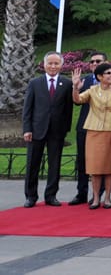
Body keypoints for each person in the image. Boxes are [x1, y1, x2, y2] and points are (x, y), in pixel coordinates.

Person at [70, 62, 111, 208]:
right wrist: (75, 87)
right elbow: (77, 100)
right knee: (94, 168)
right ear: (100, 76)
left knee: (109, 167)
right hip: (94, 132)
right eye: (108, 73)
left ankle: (107, 198)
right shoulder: (92, 90)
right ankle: (95, 199)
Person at [22, 51, 73, 208]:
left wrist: (65, 129)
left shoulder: (66, 83)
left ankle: (51, 196)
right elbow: (27, 109)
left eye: (56, 63)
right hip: (36, 130)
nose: (52, 66)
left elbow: (68, 110)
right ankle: (31, 196)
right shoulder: (35, 83)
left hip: (57, 131)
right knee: (32, 164)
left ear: (61, 65)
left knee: (54, 164)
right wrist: (27, 129)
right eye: (50, 63)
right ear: (44, 65)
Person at [70, 51, 108, 205]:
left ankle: (99, 194)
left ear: (106, 63)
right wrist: (76, 87)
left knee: (101, 161)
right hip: (85, 126)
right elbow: (77, 102)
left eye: (98, 61)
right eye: (92, 62)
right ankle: (81, 193)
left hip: (104, 127)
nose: (94, 64)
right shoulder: (84, 80)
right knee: (82, 161)